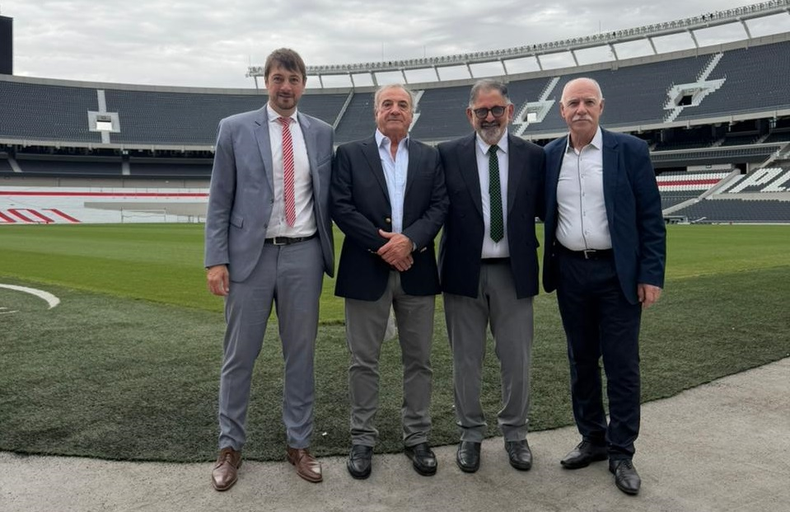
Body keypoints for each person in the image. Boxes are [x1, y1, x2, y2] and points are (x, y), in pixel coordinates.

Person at [204, 48, 334, 490]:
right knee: (239, 356)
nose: (286, 87)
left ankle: (299, 444)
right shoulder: (235, 129)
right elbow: (219, 199)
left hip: (304, 255)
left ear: (304, 85)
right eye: (278, 78)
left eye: (294, 79)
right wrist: (215, 259)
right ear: (266, 82)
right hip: (250, 257)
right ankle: (229, 447)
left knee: (300, 355)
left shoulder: (321, 132)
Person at [542, 77, 666, 495]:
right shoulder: (550, 155)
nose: (580, 109)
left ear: (601, 107)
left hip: (618, 273)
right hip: (570, 271)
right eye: (573, 102)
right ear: (562, 110)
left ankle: (622, 451)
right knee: (580, 360)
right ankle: (593, 438)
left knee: (621, 364)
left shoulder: (629, 150)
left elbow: (651, 216)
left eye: (588, 102)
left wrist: (650, 274)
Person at [331, 83, 448, 479]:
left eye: (402, 104)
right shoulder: (348, 154)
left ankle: (417, 437)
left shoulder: (431, 157)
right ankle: (362, 439)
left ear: (412, 113)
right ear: (375, 112)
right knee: (363, 361)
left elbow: (439, 206)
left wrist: (410, 242)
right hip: (366, 270)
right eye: (387, 104)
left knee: (419, 361)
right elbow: (340, 207)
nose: (394, 109)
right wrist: (384, 247)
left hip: (417, 271)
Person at [437, 79, 545, 473]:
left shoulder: (534, 156)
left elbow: (550, 209)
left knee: (516, 360)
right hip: (462, 274)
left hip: (513, 274)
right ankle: (470, 434)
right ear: (470, 114)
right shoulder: (447, 155)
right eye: (481, 111)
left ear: (510, 112)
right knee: (466, 361)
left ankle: (515, 434)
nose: (489, 117)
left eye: (496, 110)